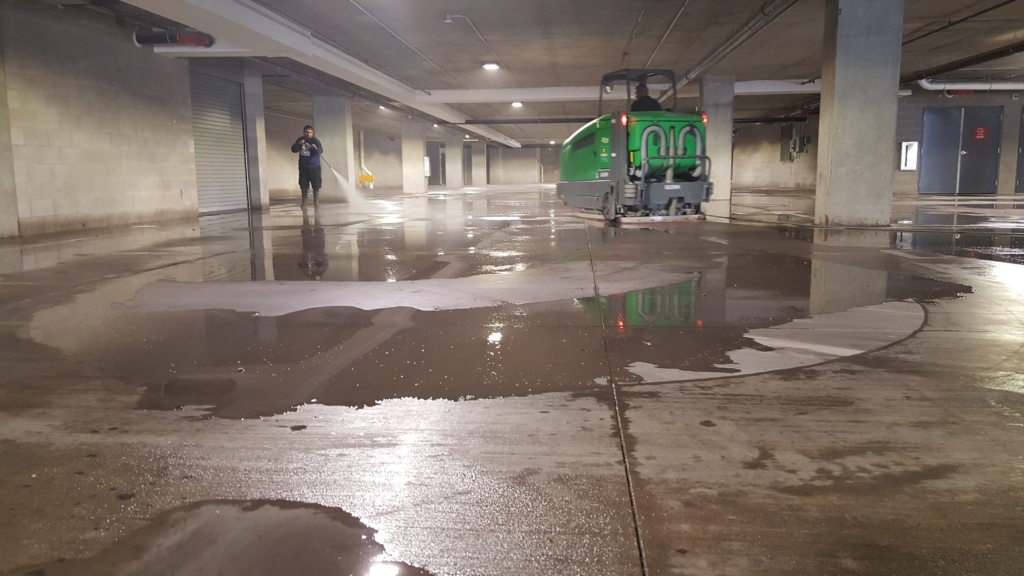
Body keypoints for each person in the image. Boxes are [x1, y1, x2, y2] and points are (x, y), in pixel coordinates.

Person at [291, 125, 324, 206]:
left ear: (312, 133)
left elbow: (320, 150)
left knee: (316, 185)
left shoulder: (315, 141)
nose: (308, 134)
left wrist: (315, 148)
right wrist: (298, 144)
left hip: (314, 167)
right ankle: (304, 202)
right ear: (303, 132)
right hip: (303, 167)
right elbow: (293, 149)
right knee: (303, 184)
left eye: (310, 132)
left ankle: (316, 203)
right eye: (306, 132)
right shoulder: (300, 140)